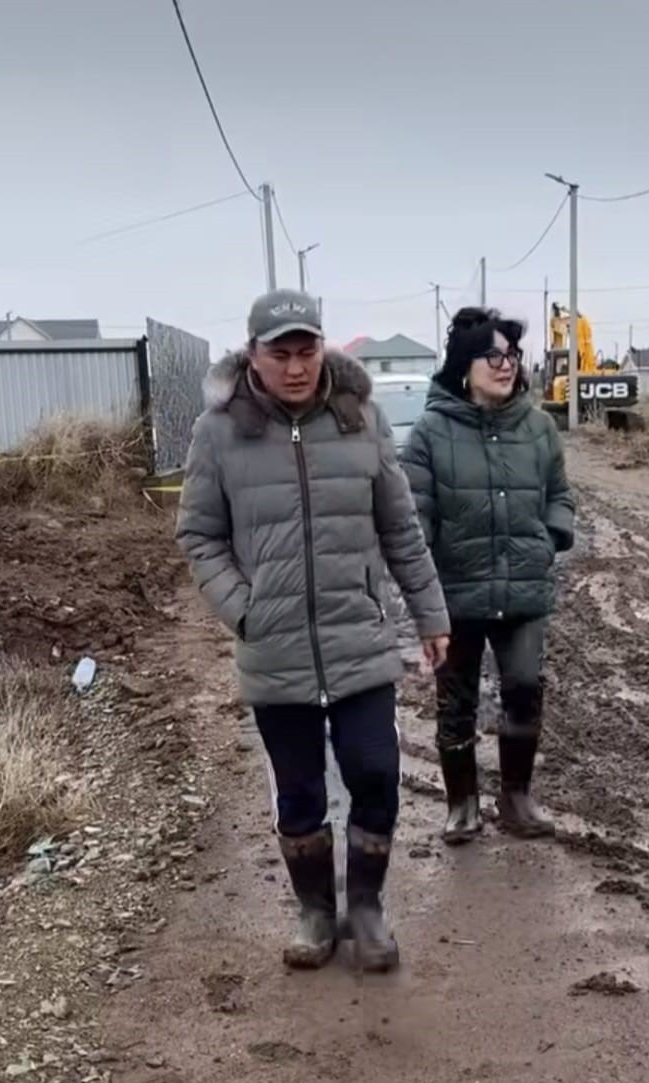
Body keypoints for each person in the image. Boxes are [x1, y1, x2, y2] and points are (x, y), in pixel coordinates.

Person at [176, 289, 450, 972]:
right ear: (253, 355)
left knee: (376, 773)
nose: (296, 367)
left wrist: (430, 614)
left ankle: (366, 908)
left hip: (360, 638)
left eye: (307, 351)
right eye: (281, 354)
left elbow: (400, 528)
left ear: (322, 349)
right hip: (275, 649)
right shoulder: (218, 432)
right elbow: (200, 535)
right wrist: (246, 610)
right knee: (298, 791)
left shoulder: (361, 420)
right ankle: (315, 912)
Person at [401, 308, 574, 845]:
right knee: (457, 700)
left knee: (523, 686)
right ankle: (463, 804)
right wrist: (422, 579)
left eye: (512, 355)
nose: (506, 365)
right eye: (493, 355)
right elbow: (414, 515)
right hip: (456, 590)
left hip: (523, 586)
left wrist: (549, 539)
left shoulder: (539, 428)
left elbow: (560, 495)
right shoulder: (430, 433)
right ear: (464, 365)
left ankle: (516, 799)